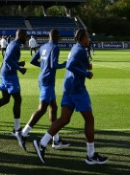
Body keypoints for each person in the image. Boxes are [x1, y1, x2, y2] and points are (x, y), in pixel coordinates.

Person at [32, 28, 108, 165]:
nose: (89, 39)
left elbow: (74, 64)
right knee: (89, 119)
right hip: (77, 89)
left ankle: (42, 143)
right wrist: (86, 74)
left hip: (68, 88)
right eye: (88, 37)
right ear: (82, 38)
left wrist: (86, 66)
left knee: (64, 119)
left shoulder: (75, 48)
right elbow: (71, 65)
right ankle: (91, 155)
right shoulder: (79, 50)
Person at [15, 28, 69, 151]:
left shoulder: (43, 46)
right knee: (42, 108)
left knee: (53, 108)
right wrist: (65, 64)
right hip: (48, 81)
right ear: (56, 37)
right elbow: (53, 65)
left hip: (42, 79)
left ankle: (56, 140)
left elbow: (33, 61)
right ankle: (23, 133)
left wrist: (43, 66)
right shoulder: (55, 47)